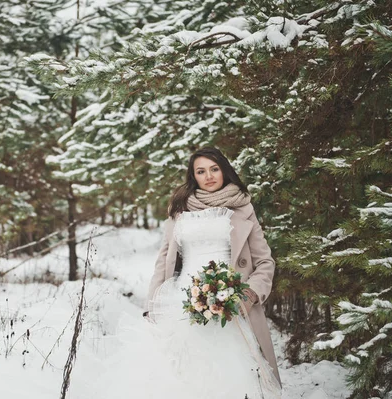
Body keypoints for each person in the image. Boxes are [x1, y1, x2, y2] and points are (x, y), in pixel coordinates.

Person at [74, 147, 282, 399]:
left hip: (231, 303)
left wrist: (249, 293)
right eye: (201, 171)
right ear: (193, 176)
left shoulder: (243, 207)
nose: (209, 176)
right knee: (176, 373)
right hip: (182, 301)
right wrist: (152, 305)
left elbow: (265, 262)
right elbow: (164, 261)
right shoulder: (180, 208)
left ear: (225, 171)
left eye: (215, 169)